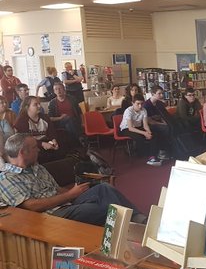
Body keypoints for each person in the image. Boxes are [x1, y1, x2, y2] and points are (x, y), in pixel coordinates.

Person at [0, 133, 146, 226]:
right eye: (34, 147)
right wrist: (71, 195)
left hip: (64, 203)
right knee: (101, 208)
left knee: (103, 189)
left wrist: (77, 193)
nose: (38, 150)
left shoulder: (37, 167)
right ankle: (130, 227)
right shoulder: (6, 178)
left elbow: (57, 189)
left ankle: (139, 219)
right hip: (49, 215)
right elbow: (31, 206)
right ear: (22, 152)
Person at [14, 96, 61, 164]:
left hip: (46, 142)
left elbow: (51, 132)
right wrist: (41, 144)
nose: (39, 106)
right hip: (30, 146)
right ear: (27, 107)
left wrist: (54, 140)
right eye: (35, 104)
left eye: (39, 104)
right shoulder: (21, 121)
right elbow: (24, 139)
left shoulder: (45, 117)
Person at [120, 94, 161, 166]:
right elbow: (130, 128)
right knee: (139, 138)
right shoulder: (128, 111)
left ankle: (152, 156)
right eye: (138, 104)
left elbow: (145, 125)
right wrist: (144, 133)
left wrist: (149, 132)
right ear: (133, 103)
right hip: (126, 128)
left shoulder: (144, 110)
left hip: (137, 127)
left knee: (154, 135)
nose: (140, 106)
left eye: (142, 104)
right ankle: (142, 154)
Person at [142, 86, 173, 160]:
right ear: (153, 94)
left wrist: (165, 122)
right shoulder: (147, 105)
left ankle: (170, 148)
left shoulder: (159, 103)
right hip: (149, 125)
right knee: (165, 128)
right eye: (159, 94)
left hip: (159, 122)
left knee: (172, 125)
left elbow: (163, 115)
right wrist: (162, 124)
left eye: (162, 93)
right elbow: (149, 121)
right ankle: (162, 150)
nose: (161, 95)